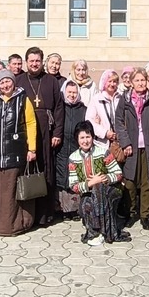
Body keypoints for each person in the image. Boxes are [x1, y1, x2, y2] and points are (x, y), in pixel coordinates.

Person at [0, 69, 38, 236]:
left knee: (11, 190)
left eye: (7, 81)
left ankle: (14, 226)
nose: (5, 85)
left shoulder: (23, 100)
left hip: (15, 152)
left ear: (13, 82)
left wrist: (32, 148)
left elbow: (31, 123)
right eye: (2, 82)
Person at [16, 46, 65, 226]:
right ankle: (27, 215)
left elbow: (59, 108)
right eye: (31, 61)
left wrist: (57, 132)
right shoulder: (19, 80)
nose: (34, 64)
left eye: (37, 61)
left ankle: (45, 215)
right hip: (25, 132)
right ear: (26, 62)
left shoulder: (51, 80)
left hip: (46, 131)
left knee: (46, 170)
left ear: (42, 62)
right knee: (26, 170)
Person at [114, 68, 149, 230]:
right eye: (137, 80)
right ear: (131, 82)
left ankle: (145, 215)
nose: (141, 83)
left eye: (143, 80)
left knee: (147, 182)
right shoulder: (125, 99)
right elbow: (118, 121)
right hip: (131, 147)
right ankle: (131, 213)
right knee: (129, 182)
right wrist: (125, 143)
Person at [67, 121, 129, 246]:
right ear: (77, 139)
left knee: (99, 188)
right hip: (88, 192)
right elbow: (73, 185)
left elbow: (118, 173)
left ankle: (102, 232)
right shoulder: (73, 158)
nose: (85, 141)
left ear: (93, 137)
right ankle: (97, 232)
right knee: (87, 203)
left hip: (111, 190)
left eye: (88, 137)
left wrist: (104, 178)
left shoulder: (103, 152)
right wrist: (90, 183)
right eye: (82, 138)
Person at [57, 80, 88, 215]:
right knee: (61, 177)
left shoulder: (83, 109)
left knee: (75, 176)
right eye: (69, 92)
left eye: (74, 92)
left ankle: (74, 209)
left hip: (76, 148)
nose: (72, 95)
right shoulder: (60, 107)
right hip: (62, 147)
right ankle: (61, 208)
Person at [84, 69, 119, 148]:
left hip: (118, 142)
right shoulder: (96, 99)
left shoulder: (120, 99)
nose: (112, 84)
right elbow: (89, 120)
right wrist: (105, 132)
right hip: (101, 143)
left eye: (114, 81)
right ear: (104, 82)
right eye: (109, 81)